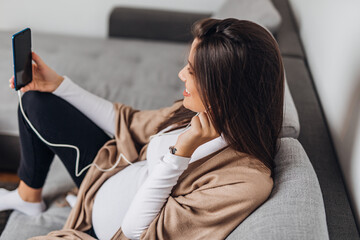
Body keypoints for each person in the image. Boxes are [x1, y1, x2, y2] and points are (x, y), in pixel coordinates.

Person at [1, 18, 284, 239]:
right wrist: (60, 85)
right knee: (36, 98)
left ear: (226, 90)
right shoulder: (196, 111)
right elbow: (130, 122)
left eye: (193, 71)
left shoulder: (243, 182)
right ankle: (28, 197)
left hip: (105, 230)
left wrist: (180, 152)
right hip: (104, 175)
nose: (181, 75)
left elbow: (140, 232)